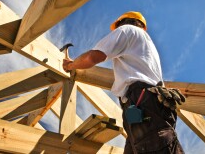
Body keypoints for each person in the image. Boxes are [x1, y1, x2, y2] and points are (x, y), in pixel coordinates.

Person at [63, 11, 185, 154]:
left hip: (142, 103)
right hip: (146, 107)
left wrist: (70, 65)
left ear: (122, 23)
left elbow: (92, 57)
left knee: (154, 146)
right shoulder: (146, 45)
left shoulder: (127, 30)